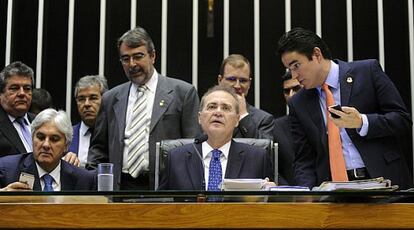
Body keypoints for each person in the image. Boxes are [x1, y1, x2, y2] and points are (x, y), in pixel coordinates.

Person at [277, 27, 412, 189]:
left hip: (383, 181)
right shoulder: (298, 102)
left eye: (296, 66)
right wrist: (307, 195)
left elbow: (402, 120)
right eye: (290, 69)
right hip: (335, 190)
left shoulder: (367, 72)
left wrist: (362, 122)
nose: (294, 76)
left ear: (316, 55)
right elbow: (304, 158)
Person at [87, 26, 201, 190]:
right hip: (120, 189)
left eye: (138, 57)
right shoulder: (111, 98)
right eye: (125, 59)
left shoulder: (182, 93)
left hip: (165, 188)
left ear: (153, 56)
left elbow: (193, 147)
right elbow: (98, 149)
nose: (132, 64)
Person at [159, 86, 273, 190]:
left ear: (237, 120)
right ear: (199, 117)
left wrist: (271, 192)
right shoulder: (176, 158)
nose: (218, 112)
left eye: (226, 108)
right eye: (212, 107)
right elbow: (161, 204)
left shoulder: (257, 158)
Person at [0, 108, 96, 191]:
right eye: (40, 137)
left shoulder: (84, 180)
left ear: (66, 145)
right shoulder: (6, 170)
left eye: (54, 139)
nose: (46, 145)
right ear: (32, 138)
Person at [217, 54, 274, 139]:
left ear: (249, 84)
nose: (237, 86)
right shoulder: (205, 114)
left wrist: (243, 116)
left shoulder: (263, 119)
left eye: (243, 81)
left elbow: (263, 149)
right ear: (220, 80)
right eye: (232, 79)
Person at [68, 75, 108, 167]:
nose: (86, 104)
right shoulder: (67, 135)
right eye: (81, 99)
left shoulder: (114, 135)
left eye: (93, 98)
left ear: (105, 100)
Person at [0, 61, 36, 157]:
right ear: (1, 94)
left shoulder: (39, 121)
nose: (22, 93)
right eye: (14, 88)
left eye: (27, 88)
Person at [273, 71, 302, 185]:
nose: (291, 95)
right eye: (286, 91)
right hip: (289, 197)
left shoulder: (325, 122)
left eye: (296, 89)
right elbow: (273, 169)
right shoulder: (276, 127)